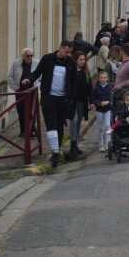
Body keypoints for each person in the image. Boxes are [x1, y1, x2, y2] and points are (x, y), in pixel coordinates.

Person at [23, 40, 76, 168]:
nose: (68, 54)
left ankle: (57, 148)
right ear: (61, 48)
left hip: (63, 99)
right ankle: (55, 152)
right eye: (66, 51)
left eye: (69, 52)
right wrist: (29, 79)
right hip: (48, 98)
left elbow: (73, 82)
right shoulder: (48, 59)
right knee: (51, 124)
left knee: (59, 125)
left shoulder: (70, 63)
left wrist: (71, 99)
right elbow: (37, 72)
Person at [8, 48, 39, 137]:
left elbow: (41, 77)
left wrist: (37, 86)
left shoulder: (36, 63)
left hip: (32, 91)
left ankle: (31, 129)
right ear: (23, 56)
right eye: (27, 56)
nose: (30, 58)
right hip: (20, 91)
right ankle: (23, 130)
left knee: (32, 111)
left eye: (31, 56)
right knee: (21, 111)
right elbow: (10, 77)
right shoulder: (16, 63)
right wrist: (16, 88)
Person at [68, 52, 91, 160]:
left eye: (84, 59)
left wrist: (91, 102)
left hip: (82, 101)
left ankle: (75, 144)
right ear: (75, 60)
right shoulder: (71, 71)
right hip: (73, 101)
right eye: (81, 59)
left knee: (78, 123)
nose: (83, 61)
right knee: (74, 120)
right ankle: (72, 145)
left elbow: (89, 87)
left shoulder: (85, 72)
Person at [91, 71, 113, 153]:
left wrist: (109, 102)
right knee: (100, 128)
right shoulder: (96, 88)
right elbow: (93, 99)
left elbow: (112, 97)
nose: (103, 79)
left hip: (108, 109)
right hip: (99, 110)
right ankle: (101, 145)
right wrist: (99, 103)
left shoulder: (110, 87)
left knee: (107, 126)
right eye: (101, 78)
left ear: (107, 78)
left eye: (105, 77)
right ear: (99, 79)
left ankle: (108, 144)